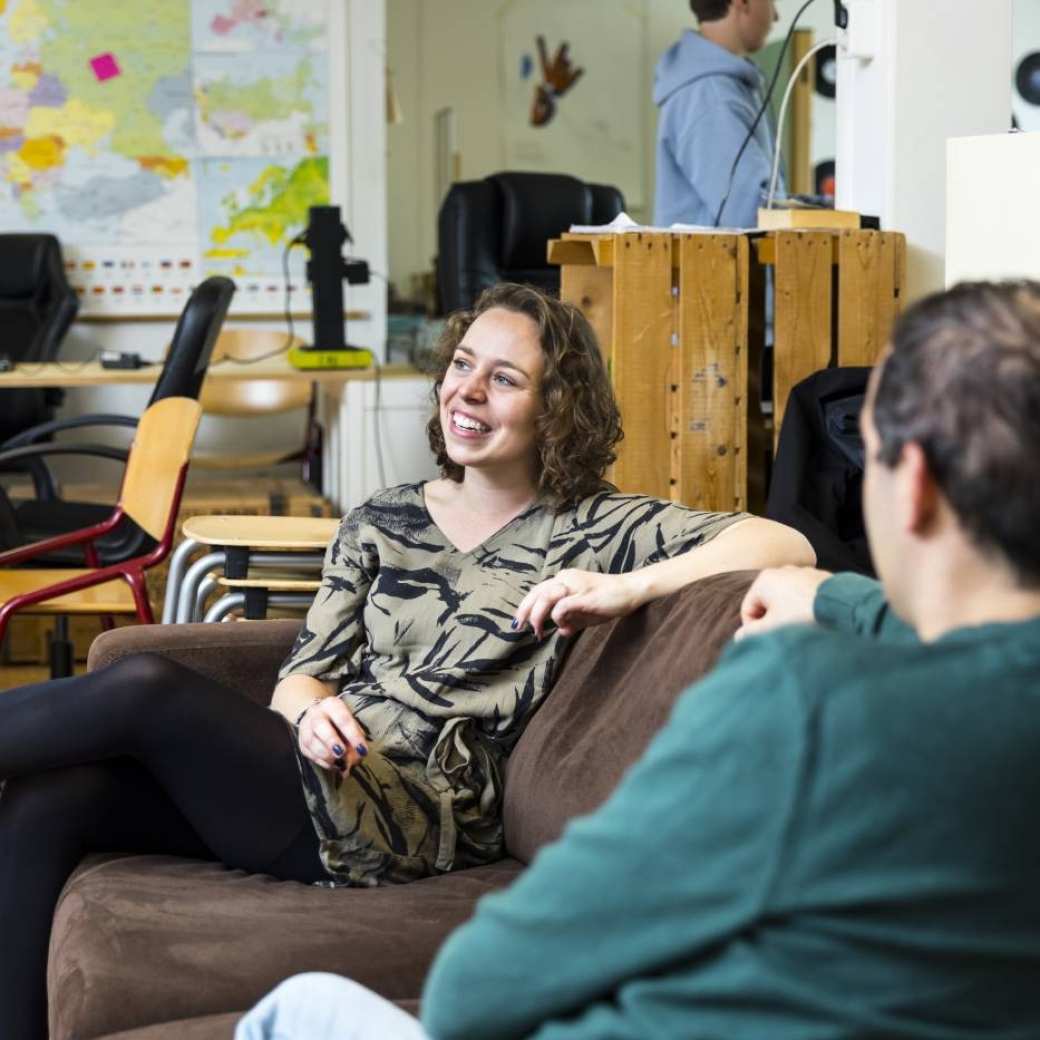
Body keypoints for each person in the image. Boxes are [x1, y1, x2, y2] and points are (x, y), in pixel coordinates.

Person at [0, 282, 812, 1040]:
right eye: (462, 366)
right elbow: (304, 674)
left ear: (556, 409)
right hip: (312, 774)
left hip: (413, 814)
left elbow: (785, 541)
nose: (467, 391)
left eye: (504, 379)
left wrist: (628, 587)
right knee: (52, 801)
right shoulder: (381, 519)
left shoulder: (596, 527)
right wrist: (309, 715)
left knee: (147, 688)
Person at [236, 279, 1040, 1040]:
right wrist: (835, 597)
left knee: (296, 1007)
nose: (469, 389)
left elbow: (474, 991)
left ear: (916, 488)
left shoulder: (804, 701)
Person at [654, 0, 781, 228]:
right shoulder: (710, 96)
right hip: (715, 263)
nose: (776, 16)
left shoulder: (722, 87)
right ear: (741, 2)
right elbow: (753, 216)